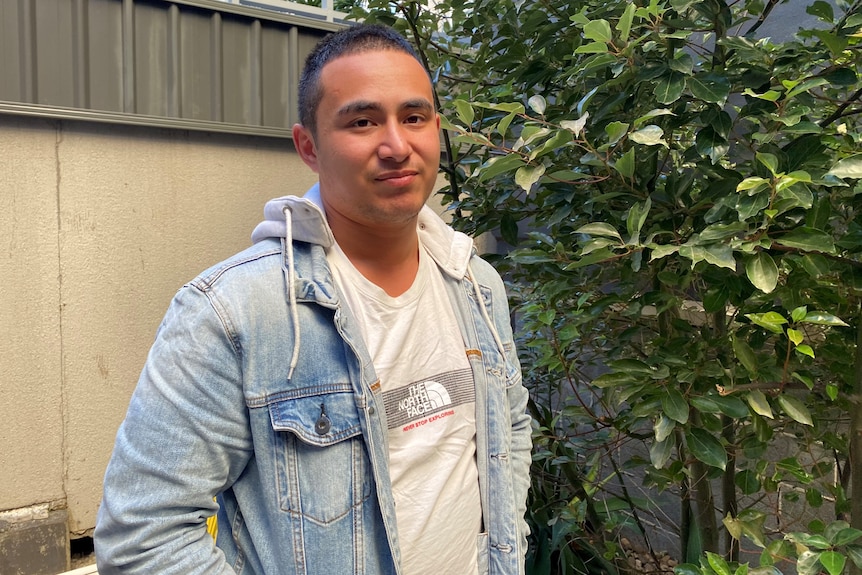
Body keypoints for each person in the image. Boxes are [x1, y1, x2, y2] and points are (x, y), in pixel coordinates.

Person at [94, 23, 531, 575]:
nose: (397, 145)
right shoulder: (232, 313)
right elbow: (144, 537)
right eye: (363, 121)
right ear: (309, 146)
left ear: (436, 131)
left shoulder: (476, 285)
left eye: (414, 117)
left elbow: (509, 428)